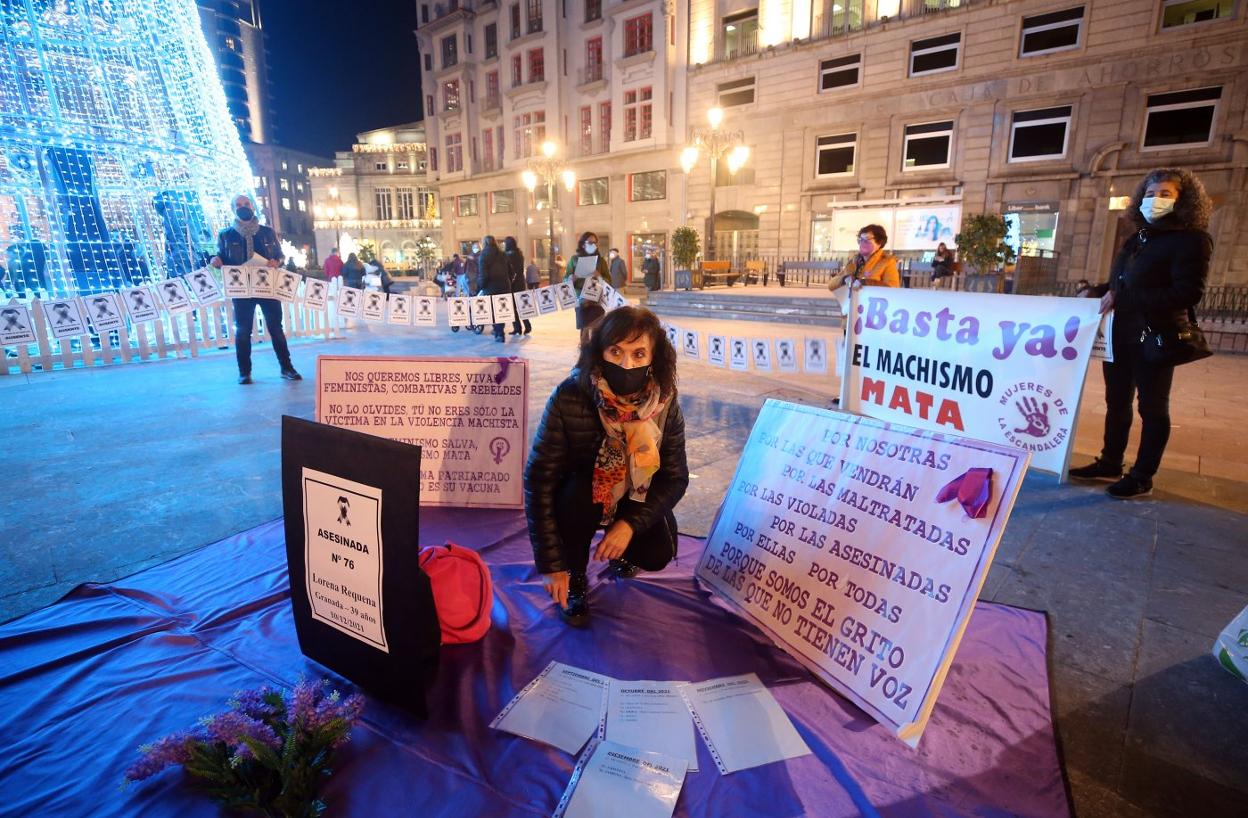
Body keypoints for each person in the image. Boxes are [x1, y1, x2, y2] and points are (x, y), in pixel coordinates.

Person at [524, 306, 688, 626]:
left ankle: (621, 549)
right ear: (600, 352)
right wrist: (552, 565)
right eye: (616, 351)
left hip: (633, 495)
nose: (627, 365)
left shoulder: (664, 403)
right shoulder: (569, 396)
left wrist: (629, 525)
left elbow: (675, 478)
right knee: (576, 494)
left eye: (639, 354)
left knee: (657, 553)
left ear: (654, 358)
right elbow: (539, 479)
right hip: (582, 497)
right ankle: (576, 574)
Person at [1069, 168, 1213, 499]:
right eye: (1150, 194)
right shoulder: (1138, 238)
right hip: (1120, 334)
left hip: (1156, 336)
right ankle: (1110, 461)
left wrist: (1126, 296)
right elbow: (1122, 284)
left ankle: (1142, 474)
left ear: (1183, 200)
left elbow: (1188, 293)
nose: (1155, 200)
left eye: (1165, 194)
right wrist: (1095, 292)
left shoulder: (1192, 240)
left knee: (1152, 407)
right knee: (1116, 401)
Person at [211, 193, 300, 384]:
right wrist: (215, 260)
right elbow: (220, 257)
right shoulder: (226, 235)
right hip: (242, 290)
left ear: (252, 206)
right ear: (233, 209)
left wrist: (277, 261)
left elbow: (280, 255)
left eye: (246, 203)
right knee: (243, 331)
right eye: (239, 204)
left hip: (267, 287)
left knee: (276, 328)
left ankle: (287, 367)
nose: (243, 207)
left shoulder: (267, 232)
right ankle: (244, 372)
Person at [565, 232, 610, 345]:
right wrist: (570, 278)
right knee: (584, 330)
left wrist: (599, 275)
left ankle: (597, 354)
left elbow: (609, 281)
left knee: (598, 329)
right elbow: (565, 281)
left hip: (597, 299)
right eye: (590, 242)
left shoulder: (601, 261)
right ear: (583, 244)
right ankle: (584, 355)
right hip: (581, 300)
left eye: (595, 243)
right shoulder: (574, 259)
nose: (593, 245)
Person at [834, 224, 900, 289]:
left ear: (879, 243)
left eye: (867, 240)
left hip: (872, 299)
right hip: (853, 299)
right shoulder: (854, 260)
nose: (862, 243)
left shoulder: (887, 262)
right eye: (860, 240)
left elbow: (893, 287)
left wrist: (866, 282)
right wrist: (843, 279)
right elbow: (832, 284)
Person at [475, 234, 511, 342]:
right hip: (504, 286)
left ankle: (498, 332)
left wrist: (480, 287)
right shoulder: (503, 255)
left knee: (493, 311)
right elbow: (511, 271)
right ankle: (500, 331)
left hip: (490, 287)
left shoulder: (483, 256)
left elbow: (483, 275)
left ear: (484, 243)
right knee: (501, 310)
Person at [503, 236, 530, 336]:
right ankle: (527, 326)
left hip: (512, 284)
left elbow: (508, 271)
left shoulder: (508, 256)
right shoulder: (519, 254)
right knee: (521, 306)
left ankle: (517, 328)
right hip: (521, 283)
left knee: (512, 307)